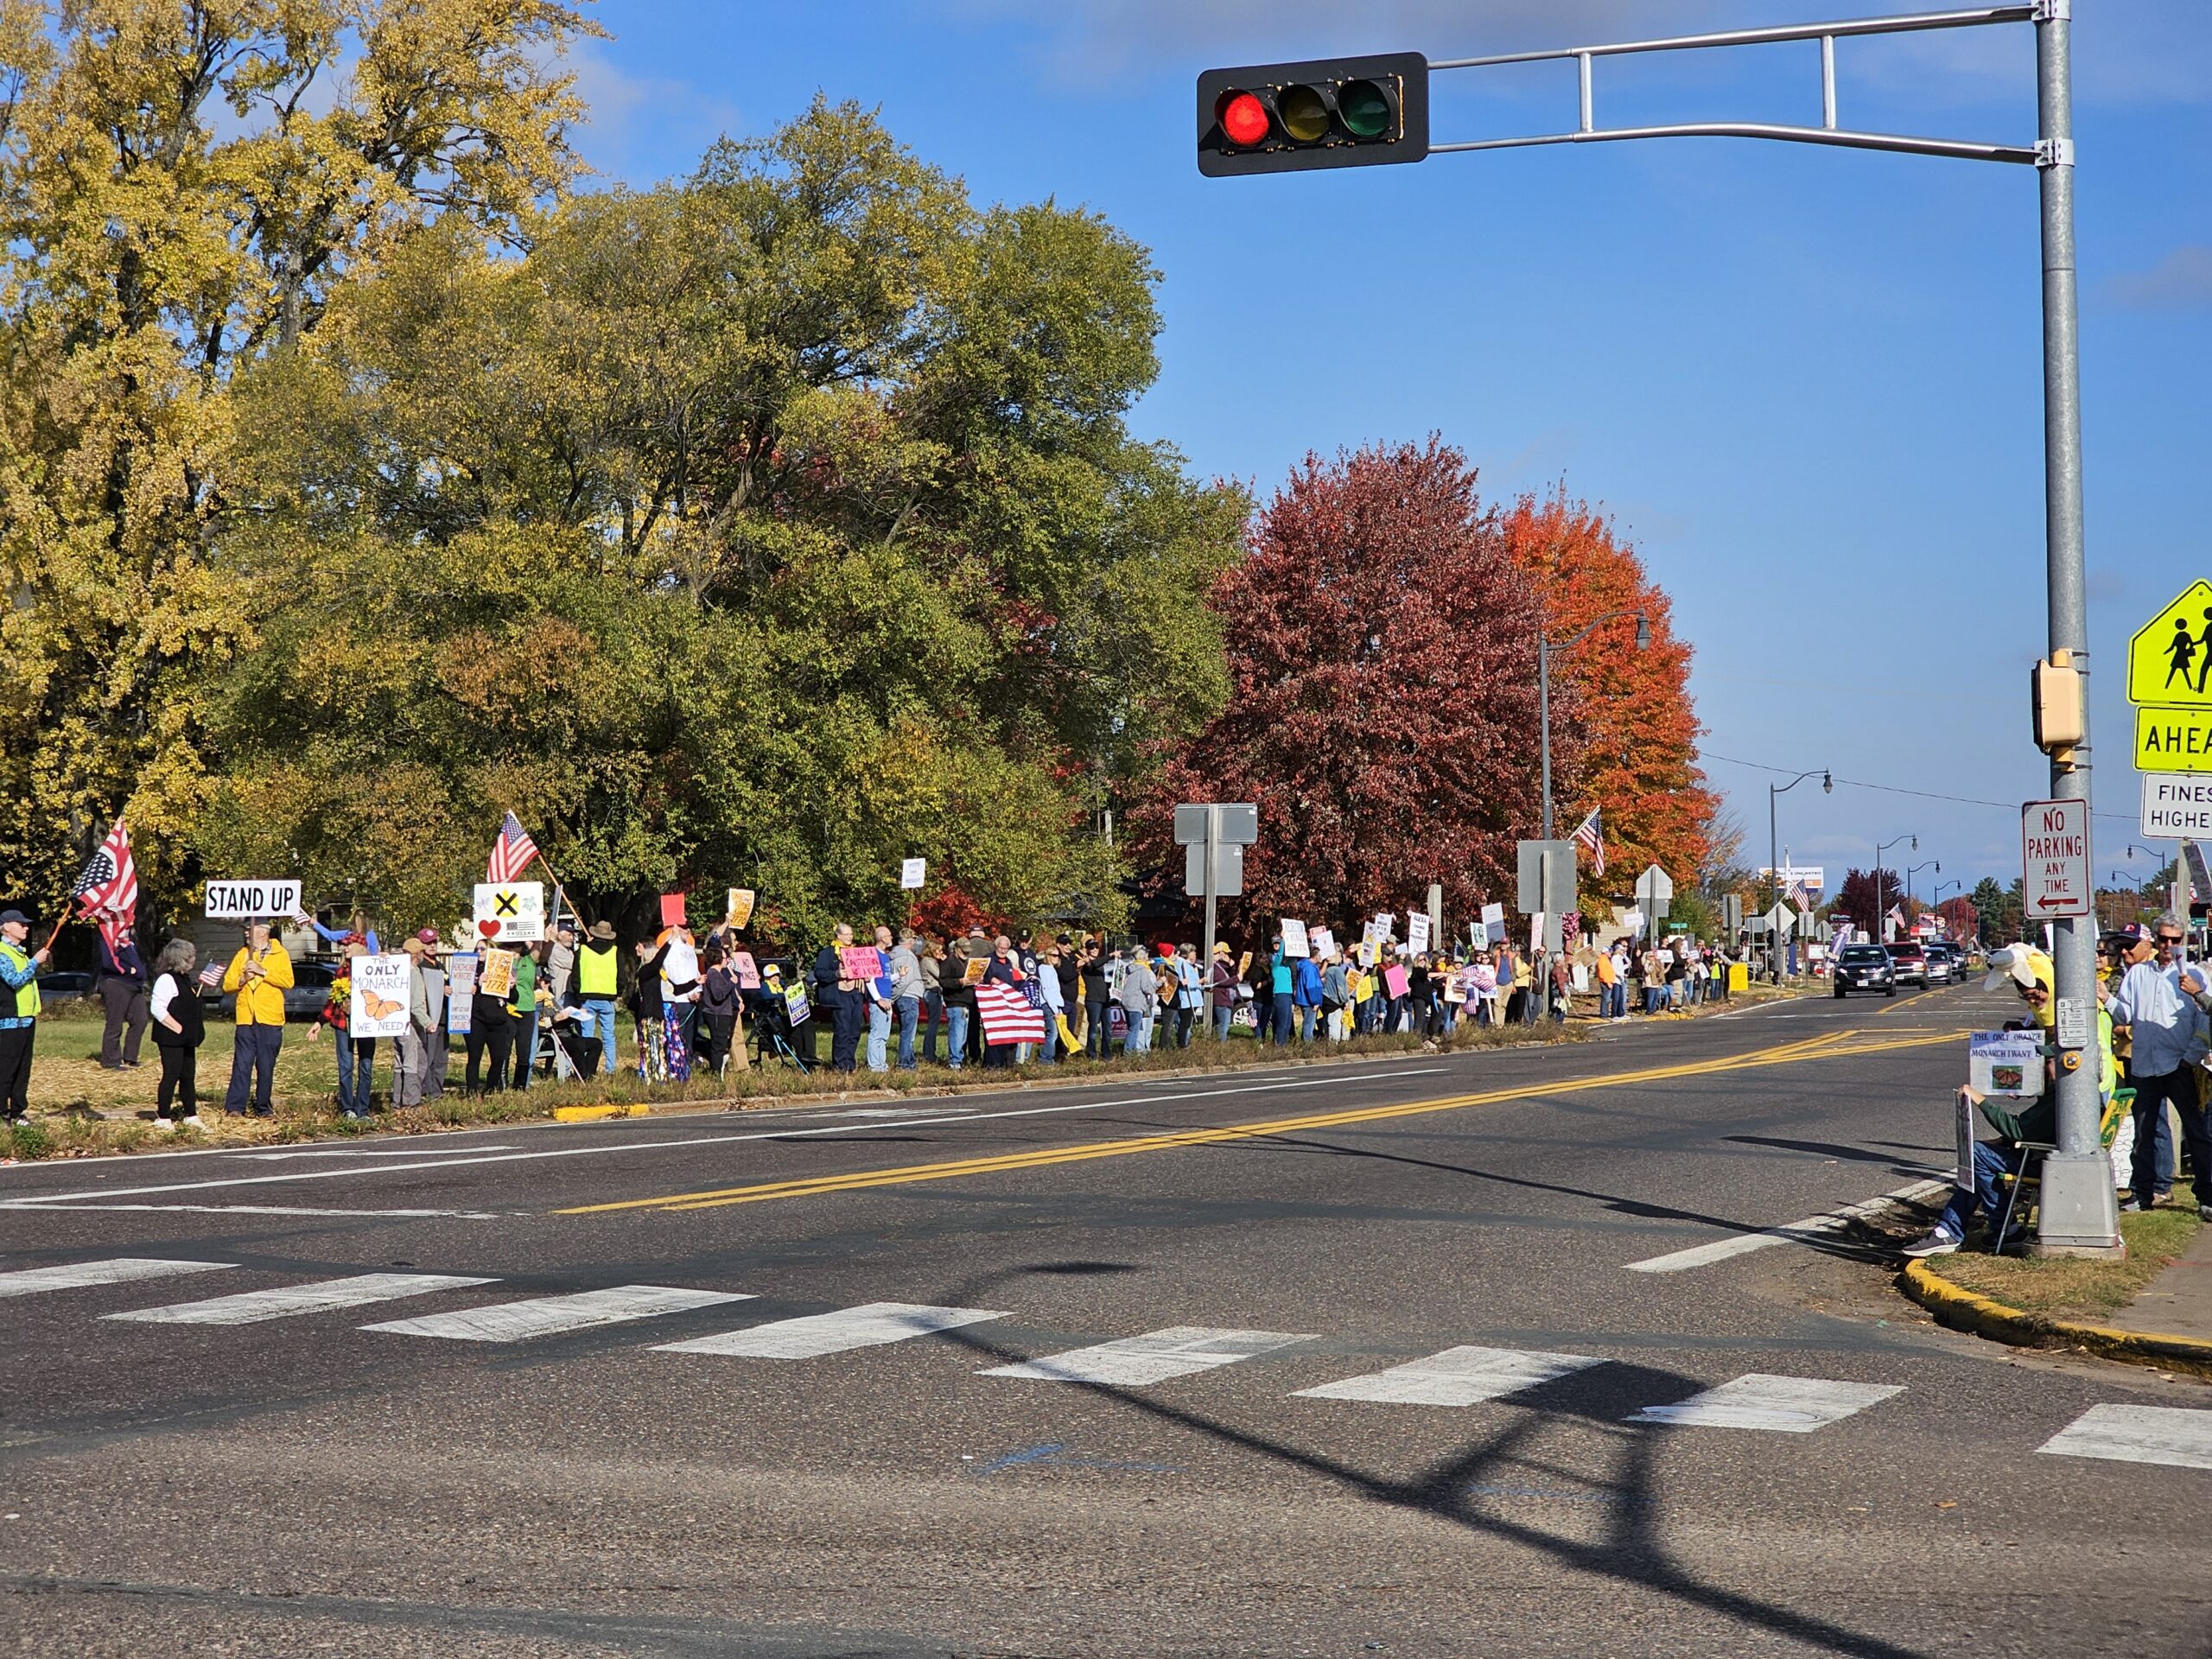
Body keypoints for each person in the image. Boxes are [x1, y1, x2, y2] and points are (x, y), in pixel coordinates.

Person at [1904, 946, 2117, 1256]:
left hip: (2049, 1158)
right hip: (2053, 1147)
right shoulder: (2070, 1093)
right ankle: (1964, 1229)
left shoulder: (2070, 1098)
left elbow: (2020, 1130)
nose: (2045, 1065)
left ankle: (1985, 1227)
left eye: (2049, 1060)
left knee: (1979, 1156)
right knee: (1984, 1159)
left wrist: (1980, 1100)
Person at [2106, 917, 2209, 1216]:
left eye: (2175, 940)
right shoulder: (2138, 973)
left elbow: (2205, 1019)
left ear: (2183, 942)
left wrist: (2190, 1058)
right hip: (2144, 1064)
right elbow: (2125, 1014)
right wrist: (2107, 999)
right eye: (2163, 939)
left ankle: (2206, 1196)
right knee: (2144, 1132)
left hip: (2179, 1065)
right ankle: (2143, 1192)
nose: (2168, 946)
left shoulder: (2194, 975)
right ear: (2155, 941)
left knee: (2197, 1132)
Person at [219, 920, 293, 1116]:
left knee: (266, 1065)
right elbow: (227, 985)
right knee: (242, 1063)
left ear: (262, 932)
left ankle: (263, 1107)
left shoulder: (280, 954)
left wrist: (263, 971)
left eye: (248, 929)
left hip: (270, 1018)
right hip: (246, 1018)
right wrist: (242, 979)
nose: (245, 933)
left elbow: (288, 980)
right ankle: (235, 1107)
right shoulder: (242, 955)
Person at [147, 937, 206, 1128]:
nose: (193, 960)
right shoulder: (166, 979)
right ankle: (163, 1117)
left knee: (188, 1075)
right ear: (180, 958)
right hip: (171, 1037)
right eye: (190, 957)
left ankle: (191, 1115)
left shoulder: (185, 979)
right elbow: (157, 1008)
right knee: (171, 1074)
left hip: (187, 1038)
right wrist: (176, 1026)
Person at [0, 910, 48, 1124]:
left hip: (27, 1019)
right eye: (21, 924)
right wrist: (35, 962)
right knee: (6, 1069)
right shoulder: (2, 953)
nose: (26, 927)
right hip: (9, 1020)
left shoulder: (20, 953)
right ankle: (2, 1112)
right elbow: (14, 980)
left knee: (23, 1070)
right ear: (7, 926)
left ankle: (18, 1111)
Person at [321, 941, 376, 1118]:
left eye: (349, 945)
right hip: (343, 1024)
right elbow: (333, 999)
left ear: (360, 948)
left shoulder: (374, 969)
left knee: (366, 1066)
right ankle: (347, 1108)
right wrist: (320, 1020)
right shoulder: (342, 970)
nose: (345, 948)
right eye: (344, 946)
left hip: (367, 1025)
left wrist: (385, 959)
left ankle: (363, 1109)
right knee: (346, 1066)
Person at [397, 933, 448, 1108]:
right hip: (411, 1024)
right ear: (417, 954)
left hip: (396, 1023)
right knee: (416, 1061)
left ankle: (398, 1101)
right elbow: (417, 1005)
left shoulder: (397, 971)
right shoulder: (414, 973)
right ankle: (411, 1102)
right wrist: (428, 1023)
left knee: (399, 1063)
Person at [94, 917, 149, 1071]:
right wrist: (127, 970)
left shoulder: (130, 942)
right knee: (115, 1023)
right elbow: (108, 962)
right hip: (116, 984)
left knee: (140, 1020)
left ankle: (130, 1057)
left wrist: (139, 971)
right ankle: (111, 1060)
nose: (130, 924)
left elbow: (139, 963)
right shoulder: (109, 938)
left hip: (135, 986)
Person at [574, 920, 622, 1075]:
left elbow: (575, 975)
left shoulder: (583, 950)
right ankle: (610, 1069)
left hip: (587, 998)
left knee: (587, 1036)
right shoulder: (615, 952)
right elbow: (622, 977)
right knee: (609, 1035)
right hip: (608, 998)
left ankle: (587, 1070)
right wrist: (618, 992)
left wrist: (578, 994)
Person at [465, 946, 514, 1094]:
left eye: (483, 949)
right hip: (477, 1019)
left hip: (498, 1021)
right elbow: (461, 995)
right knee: (474, 1057)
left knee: (499, 1058)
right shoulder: (470, 970)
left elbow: (513, 999)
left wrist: (511, 987)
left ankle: (490, 1089)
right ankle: (472, 1091)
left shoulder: (502, 970)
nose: (479, 951)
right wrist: (477, 985)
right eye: (477, 949)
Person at [698, 942, 746, 1077]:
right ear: (719, 959)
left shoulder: (717, 974)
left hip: (722, 1013)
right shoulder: (713, 974)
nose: (727, 961)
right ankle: (716, 1072)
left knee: (721, 1043)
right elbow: (718, 995)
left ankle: (718, 1070)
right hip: (717, 1014)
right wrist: (731, 983)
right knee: (718, 1045)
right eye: (725, 958)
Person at [866, 925, 898, 1074]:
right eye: (890, 935)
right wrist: (878, 999)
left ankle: (881, 1064)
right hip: (879, 999)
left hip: (887, 997)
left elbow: (885, 978)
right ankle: (874, 1066)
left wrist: (899, 975)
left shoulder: (885, 956)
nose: (891, 938)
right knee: (877, 1033)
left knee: (884, 1035)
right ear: (882, 938)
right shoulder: (873, 955)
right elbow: (870, 980)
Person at [508, 942, 540, 1090]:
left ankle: (520, 1086)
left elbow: (539, 945)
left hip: (527, 1008)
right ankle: (500, 1084)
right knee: (504, 1050)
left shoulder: (529, 959)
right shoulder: (503, 957)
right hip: (508, 1009)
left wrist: (540, 922)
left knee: (524, 1051)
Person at [1117, 945, 1157, 1056]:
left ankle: (1133, 1052)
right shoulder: (1142, 969)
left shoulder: (1130, 968)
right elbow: (1147, 989)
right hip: (1137, 1003)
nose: (1147, 957)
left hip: (1127, 1003)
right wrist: (1159, 983)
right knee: (1135, 1030)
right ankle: (1128, 1054)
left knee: (1133, 1029)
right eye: (1146, 954)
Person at [1208, 942, 1238, 1041]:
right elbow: (1223, 981)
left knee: (1222, 1024)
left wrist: (1231, 965)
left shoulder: (1220, 965)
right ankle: (1221, 1046)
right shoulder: (1213, 967)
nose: (1221, 955)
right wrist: (1237, 978)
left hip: (1224, 999)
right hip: (1221, 1000)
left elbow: (1228, 973)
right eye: (1218, 953)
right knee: (1223, 1025)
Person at [1294, 947, 1324, 1043]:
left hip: (1304, 999)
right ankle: (1308, 1046)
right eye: (1320, 955)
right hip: (1309, 1002)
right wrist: (1315, 1002)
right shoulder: (1310, 968)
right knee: (1309, 1025)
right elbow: (1310, 986)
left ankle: (1305, 1044)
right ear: (1316, 956)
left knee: (1307, 1024)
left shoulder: (1305, 965)